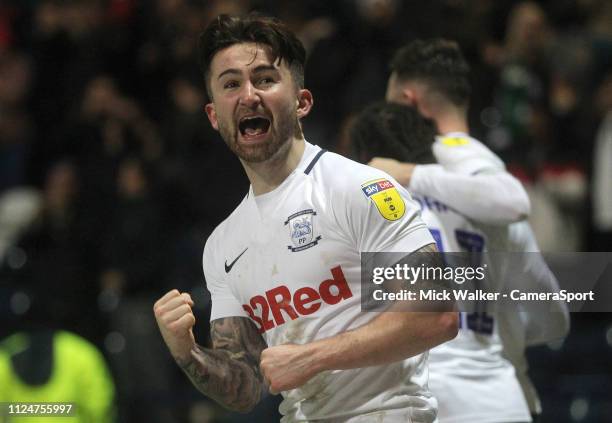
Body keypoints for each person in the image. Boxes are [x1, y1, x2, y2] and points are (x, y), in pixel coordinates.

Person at [153, 14, 458, 423]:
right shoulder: (223, 245)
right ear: (213, 115)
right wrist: (185, 350)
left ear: (301, 102)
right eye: (230, 84)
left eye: (264, 79)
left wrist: (311, 359)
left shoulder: (358, 188)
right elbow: (243, 386)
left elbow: (438, 316)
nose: (248, 95)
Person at [369, 39, 570, 421]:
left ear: (410, 103)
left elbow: (512, 200)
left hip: (416, 398)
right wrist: (494, 329)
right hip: (497, 399)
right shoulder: (485, 183)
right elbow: (555, 316)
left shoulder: (390, 179)